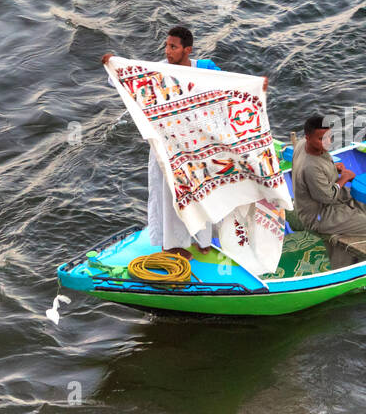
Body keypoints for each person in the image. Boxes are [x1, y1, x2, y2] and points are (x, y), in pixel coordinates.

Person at [103, 26, 267, 259]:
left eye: (173, 47)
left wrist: (255, 87)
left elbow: (230, 86)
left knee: (202, 192)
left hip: (197, 147)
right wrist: (112, 65)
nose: (167, 51)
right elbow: (129, 78)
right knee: (171, 196)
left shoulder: (205, 69)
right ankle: (172, 244)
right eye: (166, 46)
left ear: (187, 50)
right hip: (168, 147)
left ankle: (203, 239)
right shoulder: (159, 71)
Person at [291, 115, 366, 269]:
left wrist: (333, 168)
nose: (328, 143)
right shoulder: (310, 168)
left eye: (330, 137)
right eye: (322, 139)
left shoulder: (302, 145)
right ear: (308, 138)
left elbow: (319, 168)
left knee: (363, 196)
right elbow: (328, 197)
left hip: (322, 198)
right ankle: (354, 267)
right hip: (318, 214)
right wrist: (344, 177)